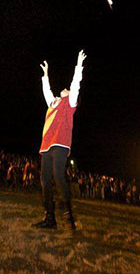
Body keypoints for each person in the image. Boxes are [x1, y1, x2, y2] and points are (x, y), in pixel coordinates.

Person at [32, 50, 86, 231]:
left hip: (61, 143)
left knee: (58, 176)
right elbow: (46, 90)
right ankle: (50, 218)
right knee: (45, 180)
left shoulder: (69, 104)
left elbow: (76, 83)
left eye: (69, 90)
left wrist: (78, 65)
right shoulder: (53, 103)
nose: (66, 88)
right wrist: (45, 75)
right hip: (46, 145)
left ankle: (69, 216)